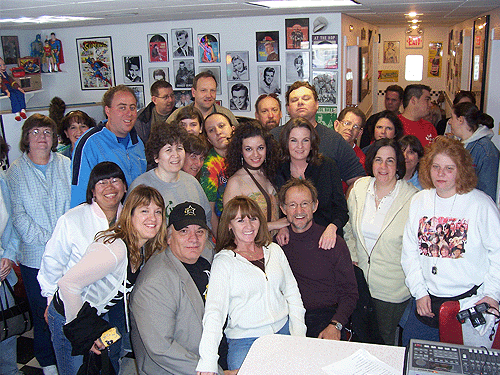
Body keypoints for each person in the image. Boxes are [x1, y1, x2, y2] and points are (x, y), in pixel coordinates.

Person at [401, 136, 500, 346]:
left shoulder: (481, 205)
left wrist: (491, 294)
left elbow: (498, 254)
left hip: (468, 302)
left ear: (461, 170)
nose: (440, 174)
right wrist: (419, 292)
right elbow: (409, 252)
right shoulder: (420, 200)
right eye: (436, 166)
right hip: (425, 302)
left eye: (449, 168)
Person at [57, 185, 167, 373]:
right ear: (129, 215)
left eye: (158, 211)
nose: (153, 218)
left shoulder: (142, 248)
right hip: (68, 316)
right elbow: (67, 284)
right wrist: (83, 334)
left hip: (92, 316)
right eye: (144, 211)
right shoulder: (115, 249)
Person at [196, 196, 306, 373]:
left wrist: (299, 335)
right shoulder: (223, 261)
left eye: (253, 218)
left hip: (284, 333)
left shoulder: (274, 250)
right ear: (229, 225)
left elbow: (293, 295)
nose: (249, 225)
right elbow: (215, 312)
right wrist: (208, 360)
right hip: (246, 342)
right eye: (240, 220)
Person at [38, 162, 127, 375]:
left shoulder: (131, 220)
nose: (110, 186)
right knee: (76, 365)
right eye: (102, 182)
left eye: (115, 180)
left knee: (110, 359)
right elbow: (52, 261)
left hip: (112, 308)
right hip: (75, 308)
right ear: (92, 191)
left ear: (125, 187)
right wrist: (50, 299)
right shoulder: (73, 219)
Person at [7, 114, 71, 375]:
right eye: (35, 132)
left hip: (70, 255)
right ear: (26, 138)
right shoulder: (14, 172)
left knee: (71, 310)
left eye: (46, 131)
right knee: (43, 315)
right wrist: (53, 240)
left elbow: (76, 204)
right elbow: (18, 216)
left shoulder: (66, 164)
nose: (41, 137)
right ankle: (48, 365)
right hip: (35, 258)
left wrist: (66, 240)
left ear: (54, 137)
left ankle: (72, 359)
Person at [131, 202, 226, 375]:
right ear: (168, 237)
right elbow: (162, 349)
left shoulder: (204, 256)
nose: (194, 238)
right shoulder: (156, 283)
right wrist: (214, 370)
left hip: (216, 353)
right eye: (184, 231)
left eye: (200, 231)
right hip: (186, 369)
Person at [344, 138, 418, 345]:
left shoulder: (413, 198)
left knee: (383, 343)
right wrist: (352, 256)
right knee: (358, 337)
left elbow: (415, 249)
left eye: (390, 161)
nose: (383, 167)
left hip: (391, 289)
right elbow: (348, 228)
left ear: (398, 165)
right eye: (378, 160)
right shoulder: (359, 188)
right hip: (359, 283)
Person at [278, 178, 358, 339]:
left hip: (326, 318)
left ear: (315, 206)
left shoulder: (334, 243)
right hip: (287, 318)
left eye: (305, 204)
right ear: (283, 209)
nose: (299, 210)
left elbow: (350, 293)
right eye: (292, 205)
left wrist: (336, 324)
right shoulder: (277, 245)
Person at [129, 125, 213, 247]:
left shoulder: (192, 183)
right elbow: (130, 230)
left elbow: (206, 222)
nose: (176, 155)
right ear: (156, 157)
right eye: (168, 150)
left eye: (179, 148)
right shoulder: (141, 186)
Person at [270, 81, 365, 187]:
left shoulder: (334, 140)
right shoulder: (273, 137)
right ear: (288, 108)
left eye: (306, 99)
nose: (300, 102)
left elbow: (358, 181)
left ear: (316, 104)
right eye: (294, 100)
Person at [275, 117, 348, 249]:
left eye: (305, 140)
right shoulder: (277, 169)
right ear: (286, 142)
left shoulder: (328, 166)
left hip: (326, 239)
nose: (300, 146)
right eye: (293, 141)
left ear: (312, 142)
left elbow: (341, 209)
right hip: (291, 241)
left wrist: (333, 228)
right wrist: (282, 226)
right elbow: (277, 208)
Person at [71, 85, 146, 208]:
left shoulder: (138, 143)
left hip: (133, 218)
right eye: (122, 107)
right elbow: (79, 193)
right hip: (103, 220)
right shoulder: (89, 143)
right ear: (108, 111)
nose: (129, 113)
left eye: (132, 108)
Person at [223, 120, 287, 232]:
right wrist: (275, 225)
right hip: (249, 246)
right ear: (240, 151)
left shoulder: (270, 173)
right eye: (248, 149)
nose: (256, 154)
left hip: (275, 246)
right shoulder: (235, 182)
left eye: (260, 148)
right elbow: (231, 227)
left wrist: (282, 228)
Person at [0, 135, 22, 375]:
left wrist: (8, 255)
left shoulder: (2, 180)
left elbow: (12, 223)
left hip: (2, 270)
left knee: (6, 327)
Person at [449, 102, 498, 202]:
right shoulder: (461, 145)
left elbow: (488, 193)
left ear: (461, 120)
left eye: (452, 118)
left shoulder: (485, 149)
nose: (449, 122)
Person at [199, 113, 235, 233]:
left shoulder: (246, 154)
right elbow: (210, 211)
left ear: (232, 129)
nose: (218, 132)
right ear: (208, 139)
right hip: (225, 229)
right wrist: (221, 241)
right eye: (211, 130)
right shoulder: (209, 166)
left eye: (221, 126)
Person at [168, 72, 239, 128]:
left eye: (212, 90)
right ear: (193, 92)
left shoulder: (226, 115)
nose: (208, 95)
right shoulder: (177, 115)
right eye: (203, 90)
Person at [135, 80, 177, 144]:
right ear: (154, 100)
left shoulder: (180, 115)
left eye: (172, 95)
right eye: (165, 97)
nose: (170, 100)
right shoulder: (141, 118)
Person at [0, 57, 27, 121]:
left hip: (10, 87)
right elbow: (2, 84)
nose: (4, 66)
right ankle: (17, 113)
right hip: (5, 88)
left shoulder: (6, 75)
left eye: (4, 65)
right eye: (1, 65)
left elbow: (11, 81)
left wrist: (18, 88)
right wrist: (7, 91)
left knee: (19, 93)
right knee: (13, 96)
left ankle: (23, 109)